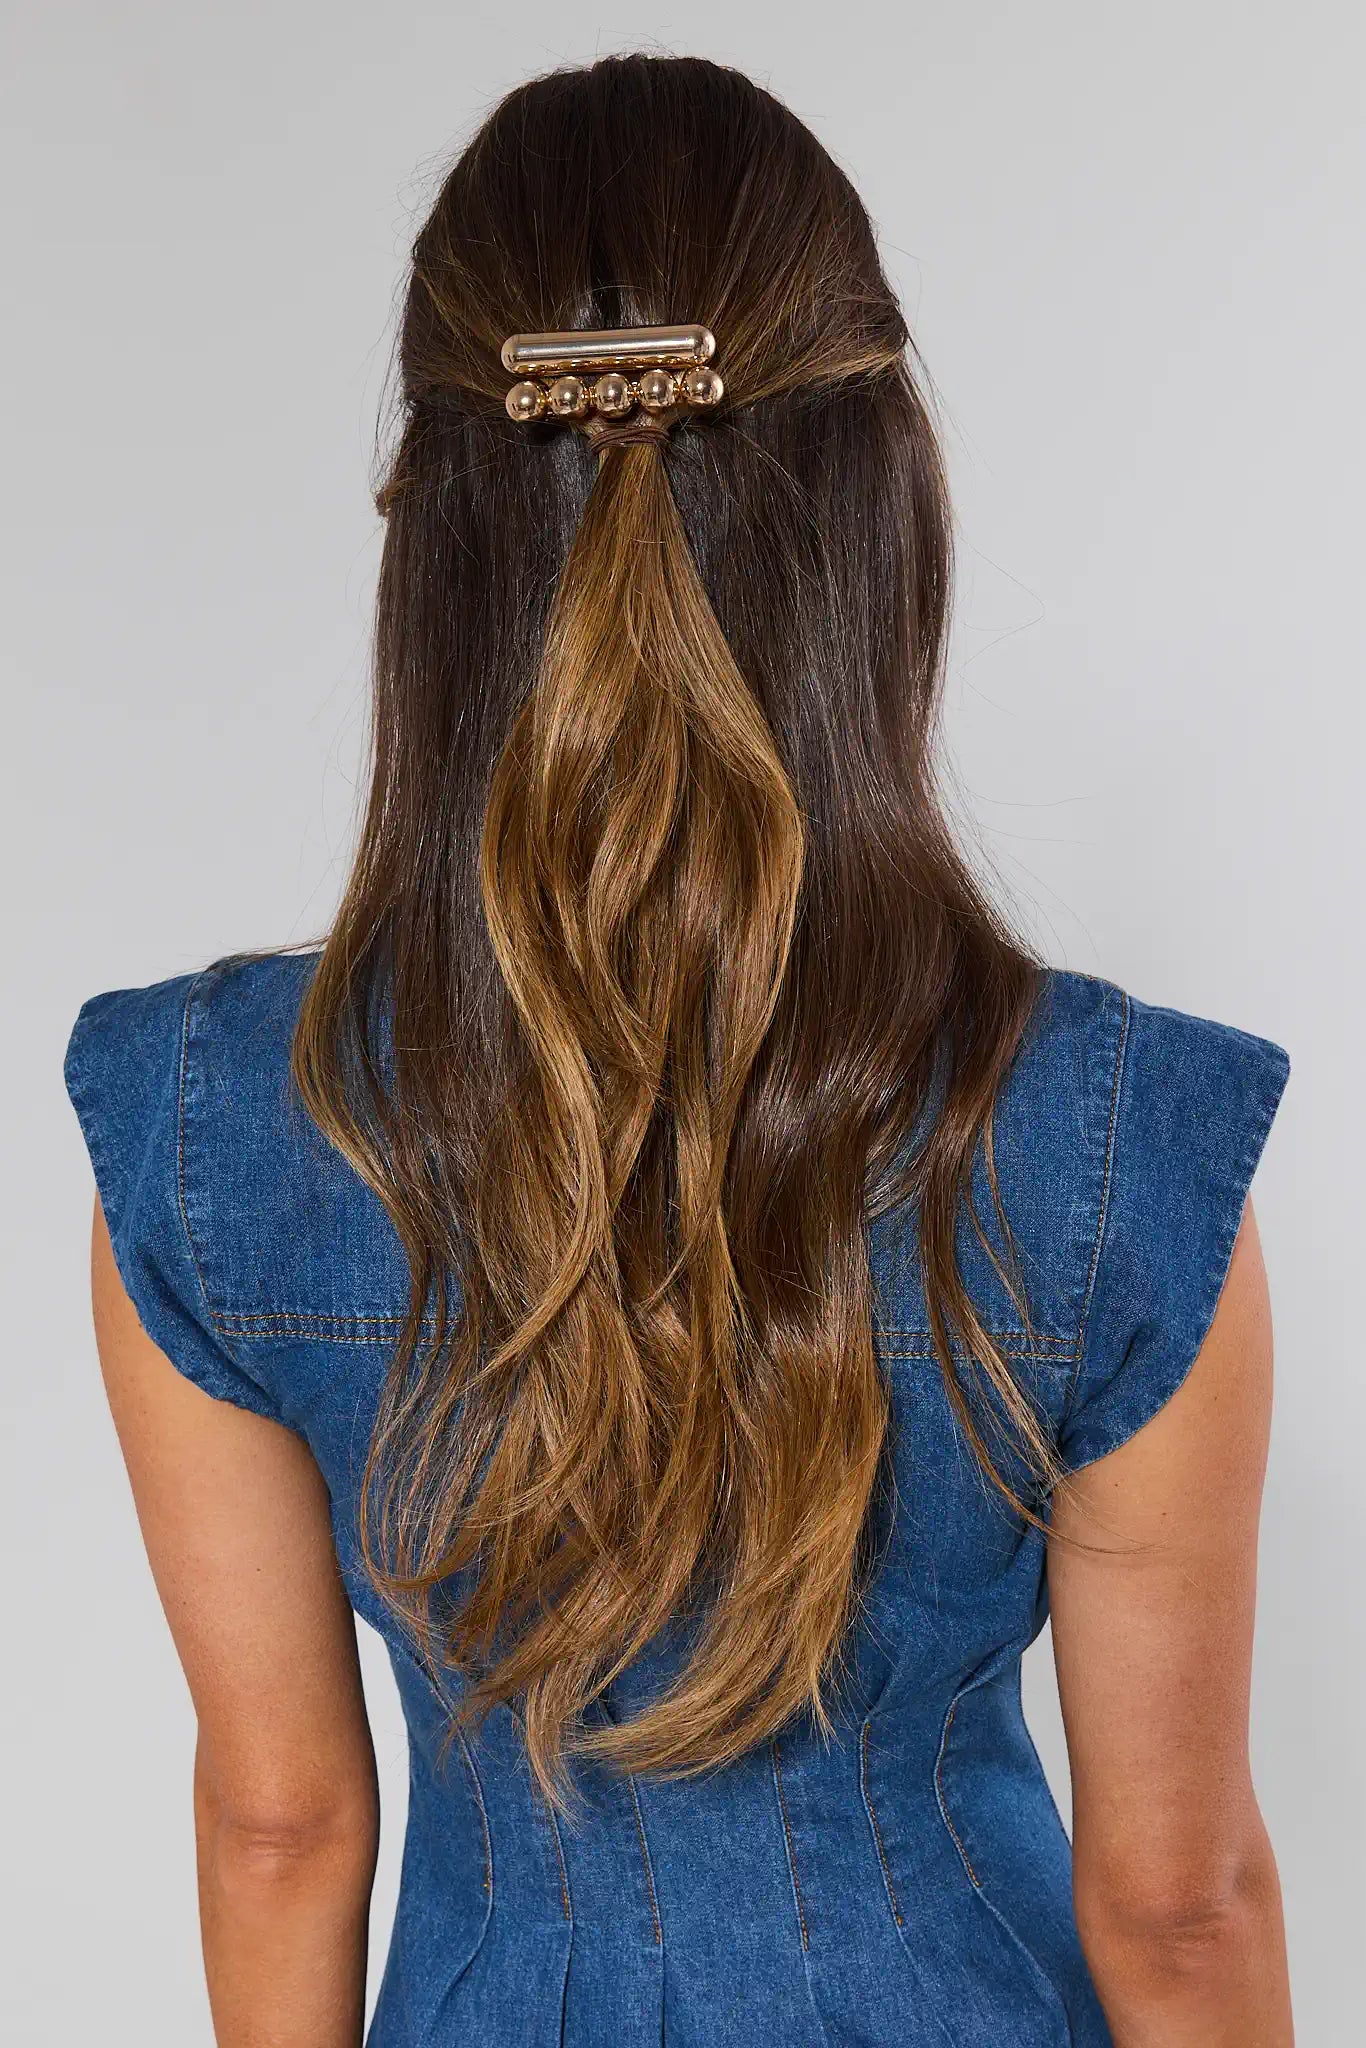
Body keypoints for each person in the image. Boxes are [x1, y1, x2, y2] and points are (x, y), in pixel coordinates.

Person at [64, 52, 1295, 2048]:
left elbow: (283, 1824)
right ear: (880, 498)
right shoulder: (1116, 1149)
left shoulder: (208, 1128)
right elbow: (1175, 1899)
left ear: (432, 540)